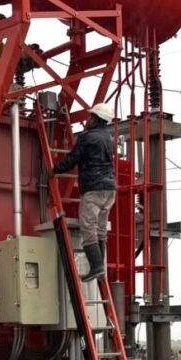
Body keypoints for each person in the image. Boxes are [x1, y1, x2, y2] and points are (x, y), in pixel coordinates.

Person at [53, 102, 116, 282]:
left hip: (93, 187)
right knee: (101, 229)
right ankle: (100, 267)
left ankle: (96, 267)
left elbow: (73, 160)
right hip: (110, 188)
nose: (87, 120)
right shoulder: (108, 138)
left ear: (96, 119)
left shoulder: (87, 138)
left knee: (88, 227)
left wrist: (55, 170)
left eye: (90, 117)